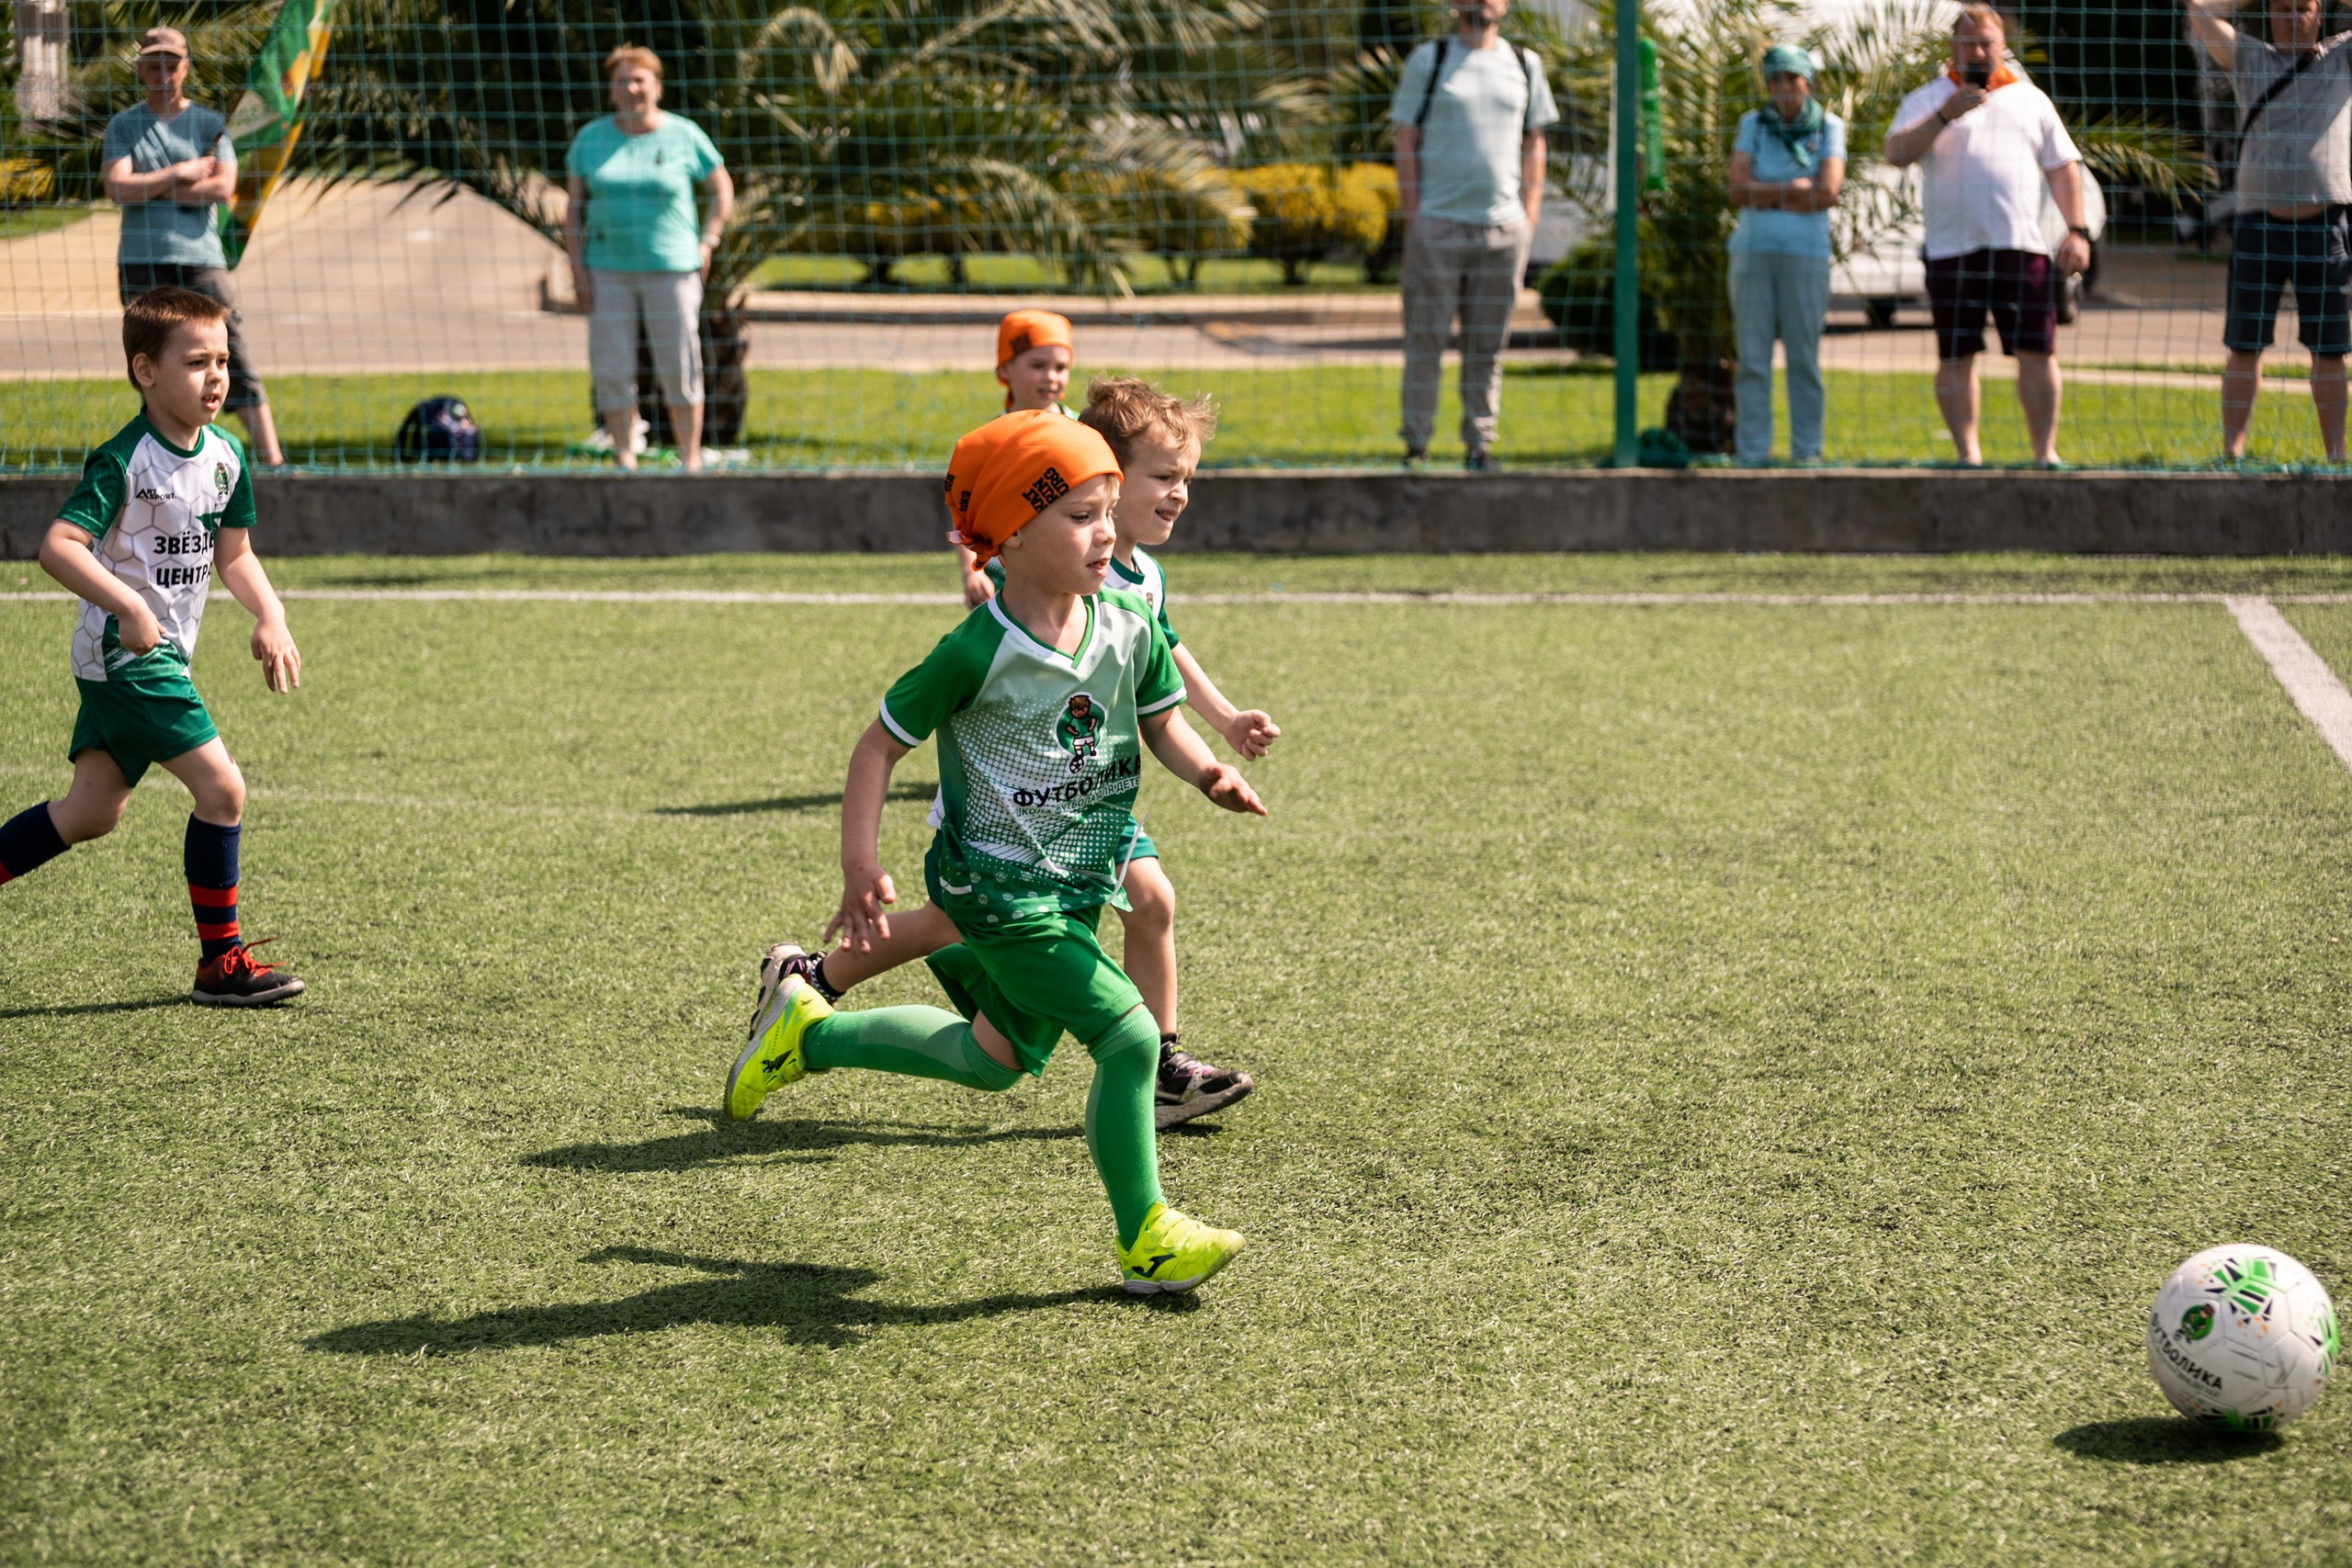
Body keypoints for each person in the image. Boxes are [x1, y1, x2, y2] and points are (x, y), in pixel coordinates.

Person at [725, 409, 1264, 1293]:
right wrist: (860, 865)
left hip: (1076, 878)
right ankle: (1146, 1236)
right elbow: (877, 747)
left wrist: (1207, 773)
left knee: (994, 1060)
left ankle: (806, 1035)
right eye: (1082, 515)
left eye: (1108, 508)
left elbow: (1160, 716)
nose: (1105, 533)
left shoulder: (1127, 617)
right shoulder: (978, 649)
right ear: (1010, 534)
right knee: (1127, 1035)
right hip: (998, 893)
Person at [0, 288, 304, 1007]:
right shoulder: (124, 461)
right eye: (196, 361)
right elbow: (58, 546)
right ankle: (220, 963)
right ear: (145, 371)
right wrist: (130, 604)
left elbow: (235, 554)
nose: (216, 376)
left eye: (223, 359)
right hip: (128, 655)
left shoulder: (227, 456)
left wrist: (271, 613)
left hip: (144, 656)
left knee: (90, 812)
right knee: (223, 788)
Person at [1885, 5, 2093, 468]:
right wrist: (1944, 116)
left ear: (2002, 46)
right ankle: (1968, 457)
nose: (1977, 52)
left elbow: (2063, 168)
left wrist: (2077, 231)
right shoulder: (1929, 98)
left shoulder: (2030, 99)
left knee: (2037, 351)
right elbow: (1894, 152)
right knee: (1956, 356)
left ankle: (2045, 455)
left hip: (2021, 247)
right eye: (1968, 43)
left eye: (1986, 43)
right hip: (1951, 252)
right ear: (1952, 49)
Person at [101, 26, 284, 468]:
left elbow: (223, 188)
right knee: (153, 363)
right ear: (141, 69)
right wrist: (180, 173)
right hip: (141, 261)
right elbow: (117, 187)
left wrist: (152, 187)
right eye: (152, 64)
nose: (162, 72)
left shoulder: (209, 124)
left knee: (229, 352)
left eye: (171, 63)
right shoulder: (124, 125)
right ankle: (166, 458)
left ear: (185, 67)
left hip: (201, 259)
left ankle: (274, 461)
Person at [1389, 0, 1559, 469]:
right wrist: (1415, 216)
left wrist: (1528, 215)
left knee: (1488, 345)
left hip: (1503, 231)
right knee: (1426, 341)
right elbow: (1406, 137)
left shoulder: (1525, 63)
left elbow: (1534, 140)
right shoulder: (1430, 60)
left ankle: (1479, 445)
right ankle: (1417, 444)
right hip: (1436, 228)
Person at [2188, 0, 2352, 463]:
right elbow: (2199, 10)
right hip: (2258, 226)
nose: (2293, 16)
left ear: (2321, 14)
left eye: (2304, 7)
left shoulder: (2343, 56)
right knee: (2244, 345)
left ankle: (2337, 456)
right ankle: (2232, 451)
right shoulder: (2249, 56)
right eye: (2283, 6)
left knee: (2331, 351)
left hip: (2325, 228)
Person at [564, 44, 734, 472]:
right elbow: (572, 210)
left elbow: (721, 190)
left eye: (639, 79)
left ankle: (690, 460)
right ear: (610, 89)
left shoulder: (684, 134)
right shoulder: (591, 139)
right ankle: (625, 458)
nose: (631, 88)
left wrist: (707, 242)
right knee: (612, 366)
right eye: (621, 80)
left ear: (656, 85)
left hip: (673, 272)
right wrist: (577, 269)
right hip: (607, 272)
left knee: (679, 364)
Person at [1727, 46, 1847, 466]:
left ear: (1807, 81)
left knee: (1803, 359)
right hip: (1752, 252)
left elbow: (1828, 192)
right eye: (1775, 79)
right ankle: (1752, 453)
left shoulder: (1830, 126)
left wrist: (1765, 193)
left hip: (1806, 254)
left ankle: (1806, 452)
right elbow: (1736, 187)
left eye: (1791, 78)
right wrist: (1793, 191)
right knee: (1753, 358)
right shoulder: (1752, 125)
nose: (1783, 88)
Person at [956, 310, 1078, 604]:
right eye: (1038, 365)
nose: (1051, 376)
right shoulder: (988, 441)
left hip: (1067, 569)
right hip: (1004, 576)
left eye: (1060, 367)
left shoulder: (1082, 433)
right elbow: (965, 516)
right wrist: (972, 572)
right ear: (1005, 369)